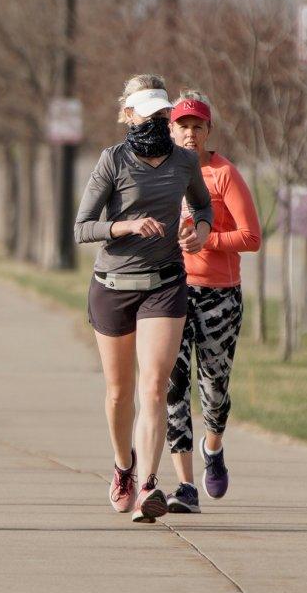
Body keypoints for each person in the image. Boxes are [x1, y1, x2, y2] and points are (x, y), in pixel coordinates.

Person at [74, 74, 213, 524]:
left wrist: (200, 233)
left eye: (161, 113)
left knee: (153, 386)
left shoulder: (184, 162)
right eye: (146, 113)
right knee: (119, 393)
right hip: (113, 286)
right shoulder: (112, 161)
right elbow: (81, 228)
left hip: (165, 282)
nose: (155, 120)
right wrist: (124, 226)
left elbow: (203, 206)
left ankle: (150, 485)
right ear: (128, 116)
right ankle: (124, 467)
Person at [163, 91, 260, 514]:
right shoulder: (162, 173)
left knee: (214, 388)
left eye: (196, 126)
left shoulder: (223, 175)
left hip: (220, 294)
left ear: (208, 131)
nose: (189, 133)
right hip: (171, 291)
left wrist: (209, 238)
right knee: (174, 386)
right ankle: (185, 486)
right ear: (170, 129)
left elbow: (251, 236)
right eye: (182, 126)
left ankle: (213, 447)